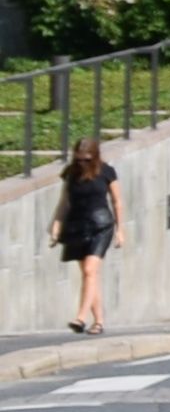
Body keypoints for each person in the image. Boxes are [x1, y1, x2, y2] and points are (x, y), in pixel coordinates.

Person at [49, 139, 116, 335]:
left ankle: (80, 317)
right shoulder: (71, 173)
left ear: (94, 156)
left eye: (86, 160)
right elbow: (64, 202)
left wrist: (120, 230)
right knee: (90, 276)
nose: (82, 164)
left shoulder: (106, 172)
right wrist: (56, 225)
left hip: (101, 225)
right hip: (77, 226)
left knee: (89, 270)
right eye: (79, 160)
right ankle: (99, 321)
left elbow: (117, 201)